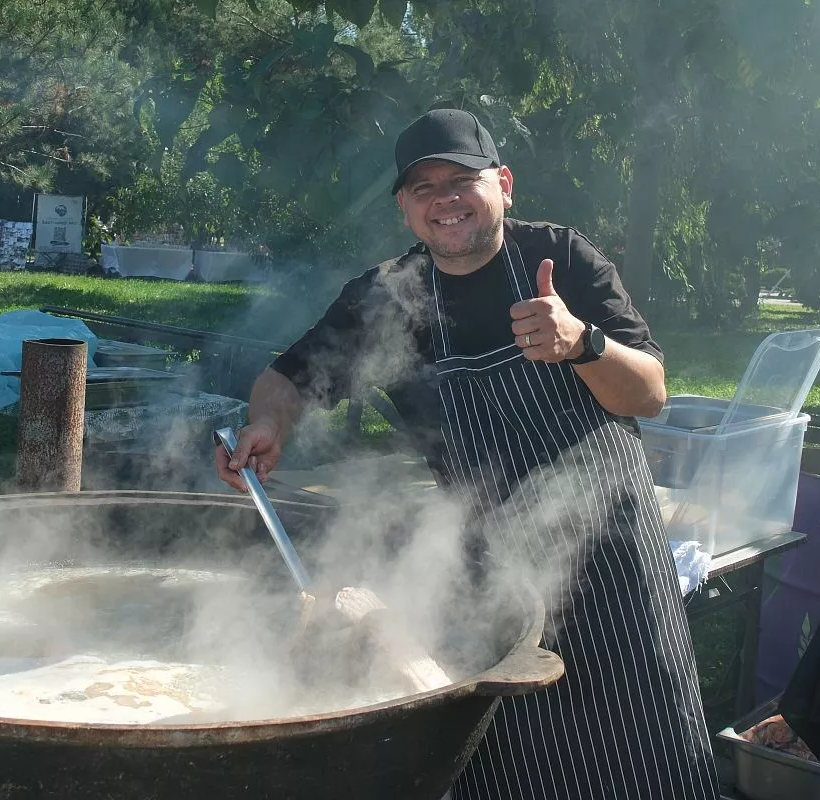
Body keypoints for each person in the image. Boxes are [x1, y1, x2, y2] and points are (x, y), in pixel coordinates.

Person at [215, 108, 720, 800]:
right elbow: (284, 380)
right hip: (491, 571)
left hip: (613, 561)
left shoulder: (564, 258)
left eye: (462, 180)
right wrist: (268, 425)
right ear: (405, 209)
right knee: (508, 758)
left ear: (503, 184)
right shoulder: (385, 296)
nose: (444, 201)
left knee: (645, 750)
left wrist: (583, 344)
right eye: (423, 189)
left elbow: (652, 395)